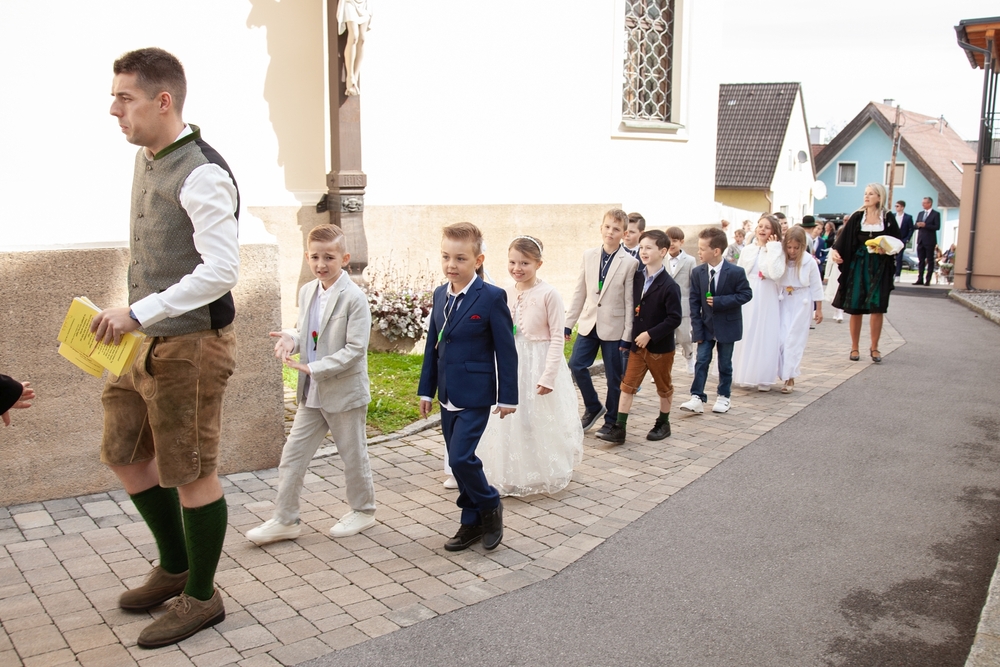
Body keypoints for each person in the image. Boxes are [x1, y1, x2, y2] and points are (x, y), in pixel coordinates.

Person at [91, 48, 240, 648]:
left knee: (191, 472)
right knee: (124, 452)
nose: (113, 109)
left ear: (162, 101)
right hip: (141, 339)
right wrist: (133, 319)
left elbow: (221, 270)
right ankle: (175, 566)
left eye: (124, 98)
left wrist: (137, 312)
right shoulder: (148, 157)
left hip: (192, 346)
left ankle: (202, 597)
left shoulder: (202, 172)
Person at [246, 224, 377, 546]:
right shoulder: (307, 291)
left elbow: (355, 349)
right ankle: (285, 519)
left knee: (353, 456)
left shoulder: (354, 298)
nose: (321, 264)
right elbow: (308, 331)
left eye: (329, 257)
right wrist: (291, 339)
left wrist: (313, 367)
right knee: (292, 456)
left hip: (343, 393)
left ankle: (363, 511)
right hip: (312, 394)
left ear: (344, 258)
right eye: (315, 257)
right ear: (307, 257)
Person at [418, 222, 517, 552]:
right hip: (447, 393)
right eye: (446, 257)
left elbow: (506, 351)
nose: (451, 265)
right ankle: (471, 521)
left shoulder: (491, 297)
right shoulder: (439, 294)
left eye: (460, 258)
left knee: (461, 459)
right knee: (456, 462)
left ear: (478, 260)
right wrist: (426, 389)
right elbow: (433, 345)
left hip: (476, 393)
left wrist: (508, 396)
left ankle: (490, 504)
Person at [478, 236, 583, 495]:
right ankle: (509, 472)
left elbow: (557, 337)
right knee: (510, 420)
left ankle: (544, 469)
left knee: (535, 418)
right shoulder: (504, 293)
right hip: (511, 364)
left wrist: (548, 375)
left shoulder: (549, 294)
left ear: (538, 264)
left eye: (525, 263)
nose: (517, 268)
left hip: (538, 363)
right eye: (513, 262)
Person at [597, 230, 682, 444]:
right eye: (641, 247)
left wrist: (650, 334)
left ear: (662, 251)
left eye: (649, 248)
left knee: (663, 387)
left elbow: (674, 318)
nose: (643, 252)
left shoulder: (670, 286)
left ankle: (663, 422)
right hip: (637, 346)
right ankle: (619, 427)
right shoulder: (636, 278)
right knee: (627, 385)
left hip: (660, 349)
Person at [565, 209, 638, 436]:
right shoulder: (588, 256)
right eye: (607, 227)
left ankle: (611, 420)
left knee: (614, 377)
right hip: (589, 324)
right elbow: (580, 292)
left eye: (616, 229)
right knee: (576, 365)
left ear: (624, 234)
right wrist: (568, 323)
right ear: (601, 228)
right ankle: (593, 406)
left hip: (615, 328)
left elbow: (629, 302)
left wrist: (627, 335)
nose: (610, 232)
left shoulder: (630, 263)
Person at [680, 227, 753, 415]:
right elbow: (694, 303)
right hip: (705, 326)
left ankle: (724, 396)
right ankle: (697, 396)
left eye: (702, 248)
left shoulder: (736, 272)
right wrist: (697, 329)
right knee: (702, 360)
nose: (699, 252)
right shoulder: (698, 272)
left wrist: (721, 301)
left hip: (728, 326)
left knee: (725, 363)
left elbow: (746, 294)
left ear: (716, 251)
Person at [830, 183, 901, 363]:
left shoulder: (888, 218)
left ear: (879, 197)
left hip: (880, 267)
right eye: (865, 193)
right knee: (855, 307)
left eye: (871, 194)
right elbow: (843, 240)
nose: (866, 196)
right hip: (859, 266)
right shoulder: (857, 217)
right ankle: (854, 347)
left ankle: (874, 347)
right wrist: (836, 252)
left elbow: (898, 242)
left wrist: (887, 250)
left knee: (878, 307)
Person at [732, 215, 785, 391]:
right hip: (748, 293)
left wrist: (773, 248)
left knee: (764, 332)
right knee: (747, 330)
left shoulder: (777, 250)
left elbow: (775, 273)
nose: (762, 230)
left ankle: (763, 377)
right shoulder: (748, 249)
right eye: (760, 226)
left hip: (766, 294)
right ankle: (743, 373)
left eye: (767, 227)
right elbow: (739, 271)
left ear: (774, 232)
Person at [777, 227, 824, 394]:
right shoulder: (781, 259)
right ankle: (780, 371)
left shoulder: (809, 262)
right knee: (781, 338)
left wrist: (819, 309)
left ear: (802, 246)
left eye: (796, 248)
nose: (792, 251)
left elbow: (817, 286)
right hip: (783, 300)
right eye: (789, 247)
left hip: (801, 302)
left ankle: (790, 376)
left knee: (794, 340)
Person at [665, 226, 696, 374]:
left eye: (675, 240)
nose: (671, 243)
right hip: (664, 306)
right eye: (669, 240)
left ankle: (689, 357)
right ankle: (665, 368)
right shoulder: (661, 258)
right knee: (665, 339)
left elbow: (693, 284)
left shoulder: (689, 260)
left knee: (684, 337)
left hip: (683, 305)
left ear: (681, 242)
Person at [337, 0, 372, 96]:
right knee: (354, 36)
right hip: (350, 2)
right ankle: (350, 75)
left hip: (364, 3)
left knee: (362, 38)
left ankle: (355, 78)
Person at [914, 197, 940, 286]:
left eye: (924, 203)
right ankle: (920, 279)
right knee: (921, 260)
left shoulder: (935, 214)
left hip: (930, 240)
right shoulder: (920, 213)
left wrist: (926, 225)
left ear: (929, 203)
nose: (923, 204)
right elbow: (915, 225)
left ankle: (928, 280)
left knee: (930, 260)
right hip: (920, 240)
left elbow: (937, 227)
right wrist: (917, 225)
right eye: (922, 203)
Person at [894, 200, 914, 280]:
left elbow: (911, 229)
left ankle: (897, 275)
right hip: (893, 240)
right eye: (895, 206)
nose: (896, 208)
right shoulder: (893, 216)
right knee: (892, 258)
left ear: (902, 207)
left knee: (899, 258)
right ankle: (891, 273)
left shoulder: (908, 217)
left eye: (897, 206)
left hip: (902, 240)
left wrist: (907, 239)